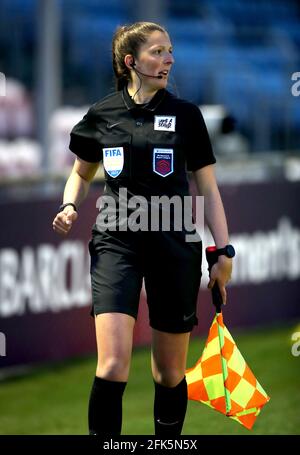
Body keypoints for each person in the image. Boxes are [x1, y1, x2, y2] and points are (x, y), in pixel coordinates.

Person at [52, 21, 233, 436]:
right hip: (117, 243)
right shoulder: (102, 114)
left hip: (174, 245)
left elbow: (207, 186)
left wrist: (223, 251)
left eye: (170, 51)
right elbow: (80, 174)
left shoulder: (187, 115)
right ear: (132, 62)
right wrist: (68, 205)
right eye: (158, 51)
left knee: (169, 373)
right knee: (113, 365)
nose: (168, 59)